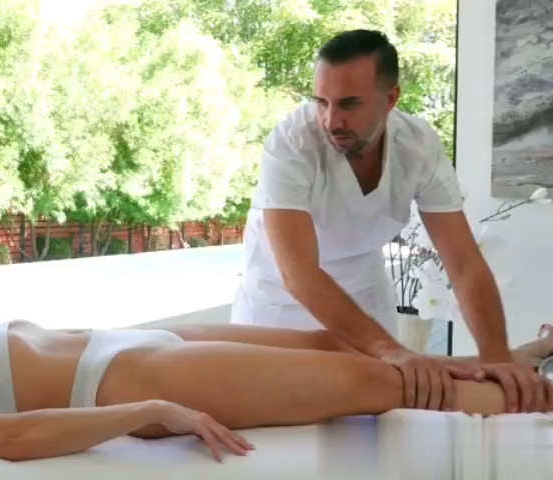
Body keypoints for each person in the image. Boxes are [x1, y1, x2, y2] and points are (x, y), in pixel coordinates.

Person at [0, 308, 553, 462]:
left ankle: (513, 359)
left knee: (334, 341)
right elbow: (8, 439)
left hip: (138, 341)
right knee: (371, 383)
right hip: (130, 374)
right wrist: (147, 409)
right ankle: (531, 391)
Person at [230, 29, 544, 414]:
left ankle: (527, 354)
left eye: (349, 104)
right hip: (278, 302)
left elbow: (464, 262)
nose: (331, 120)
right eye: (321, 102)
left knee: (380, 417)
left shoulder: (418, 146)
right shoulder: (291, 144)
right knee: (278, 420)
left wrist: (495, 358)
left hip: (363, 296)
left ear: (391, 98)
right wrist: (391, 350)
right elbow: (299, 274)